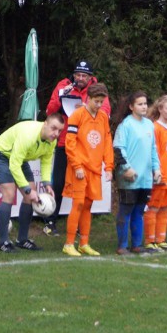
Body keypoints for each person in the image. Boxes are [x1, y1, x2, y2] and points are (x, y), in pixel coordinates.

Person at [42, 60, 110, 235]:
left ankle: (80, 226)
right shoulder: (64, 85)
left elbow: (105, 113)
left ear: (90, 77)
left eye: (84, 76)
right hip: (65, 142)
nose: (80, 78)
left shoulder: (96, 90)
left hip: (87, 148)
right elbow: (50, 112)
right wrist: (61, 97)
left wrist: (86, 109)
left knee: (85, 190)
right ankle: (50, 221)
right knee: (58, 183)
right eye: (77, 75)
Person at [0, 114, 63, 253]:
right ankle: (3, 242)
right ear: (45, 124)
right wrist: (27, 189)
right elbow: (14, 165)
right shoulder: (29, 135)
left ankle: (22, 240)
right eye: (54, 128)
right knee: (9, 194)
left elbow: (46, 162)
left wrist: (47, 183)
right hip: (1, 154)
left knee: (30, 197)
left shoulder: (52, 141)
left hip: (19, 159)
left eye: (59, 131)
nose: (56, 133)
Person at [61, 83, 113, 257]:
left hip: (95, 168)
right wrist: (76, 165)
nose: (99, 105)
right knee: (78, 204)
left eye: (101, 102)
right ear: (88, 98)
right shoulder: (77, 115)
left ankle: (84, 243)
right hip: (80, 168)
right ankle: (69, 243)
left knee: (88, 206)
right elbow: (70, 143)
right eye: (96, 101)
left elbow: (107, 142)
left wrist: (109, 166)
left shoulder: (103, 117)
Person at [114, 92, 161, 254]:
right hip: (129, 178)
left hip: (145, 179)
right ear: (131, 107)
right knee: (126, 211)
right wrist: (126, 168)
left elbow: (153, 149)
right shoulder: (125, 125)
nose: (144, 107)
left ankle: (136, 245)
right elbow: (118, 149)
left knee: (139, 212)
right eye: (140, 104)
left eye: (145, 104)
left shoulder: (149, 124)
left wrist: (156, 169)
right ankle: (122, 246)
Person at [145, 95, 167, 251]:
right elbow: (154, 153)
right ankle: (150, 240)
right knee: (154, 207)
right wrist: (156, 173)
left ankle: (160, 239)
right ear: (160, 109)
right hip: (160, 176)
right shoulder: (154, 128)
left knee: (165, 207)